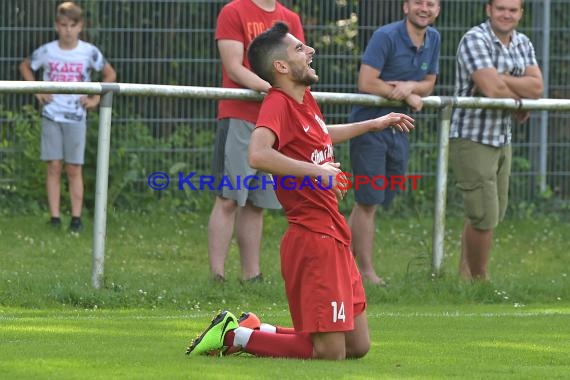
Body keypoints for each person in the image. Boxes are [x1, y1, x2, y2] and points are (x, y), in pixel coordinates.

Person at [186, 22, 415, 360]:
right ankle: (235, 335)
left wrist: (373, 123)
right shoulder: (277, 103)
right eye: (299, 49)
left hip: (334, 235)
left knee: (357, 346)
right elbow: (258, 153)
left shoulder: (304, 98)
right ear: (280, 66)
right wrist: (317, 173)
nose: (309, 51)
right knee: (329, 353)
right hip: (312, 239)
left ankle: (252, 328)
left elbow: (320, 134)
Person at [208, 0, 305, 282]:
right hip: (239, 115)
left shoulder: (290, 18)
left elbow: (298, 64)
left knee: (257, 202)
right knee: (229, 198)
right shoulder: (234, 11)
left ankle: (251, 276)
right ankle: (217, 276)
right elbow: (234, 67)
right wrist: (274, 89)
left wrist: (284, 96)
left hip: (273, 122)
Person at [347, 0, 441, 285]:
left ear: (437, 9)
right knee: (368, 200)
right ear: (405, 7)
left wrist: (412, 88)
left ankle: (343, 263)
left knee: (379, 197)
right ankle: (364, 272)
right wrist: (404, 95)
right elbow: (366, 82)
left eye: (431, 4)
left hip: (399, 129)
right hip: (371, 128)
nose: (424, 9)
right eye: (418, 3)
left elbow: (429, 82)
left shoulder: (433, 38)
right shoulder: (385, 36)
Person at [450, 0, 543, 280]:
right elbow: (491, 89)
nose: (507, 14)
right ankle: (481, 281)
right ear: (488, 10)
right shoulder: (474, 39)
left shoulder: (523, 42)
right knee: (483, 214)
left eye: (513, 10)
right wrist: (517, 95)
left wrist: (501, 80)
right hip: (472, 136)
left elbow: (537, 88)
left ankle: (464, 277)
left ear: (521, 14)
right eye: (501, 8)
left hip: (502, 137)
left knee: (492, 213)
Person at [19, 1, 116, 232]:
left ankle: (76, 219)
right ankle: (54, 218)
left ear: (80, 26)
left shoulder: (89, 51)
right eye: (63, 25)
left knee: (74, 168)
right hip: (52, 115)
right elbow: (25, 66)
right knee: (53, 166)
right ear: (56, 26)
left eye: (73, 25)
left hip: (76, 116)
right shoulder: (47, 50)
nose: (68, 30)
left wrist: (95, 99)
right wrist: (38, 89)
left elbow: (110, 74)